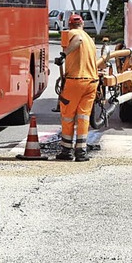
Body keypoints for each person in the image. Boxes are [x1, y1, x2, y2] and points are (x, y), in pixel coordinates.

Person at [53, 13, 99, 162]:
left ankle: (66, 150)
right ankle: (81, 151)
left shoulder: (72, 34)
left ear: (70, 24)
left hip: (76, 81)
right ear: (83, 23)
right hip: (91, 82)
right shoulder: (90, 39)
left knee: (67, 115)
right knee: (83, 116)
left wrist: (63, 55)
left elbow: (77, 40)